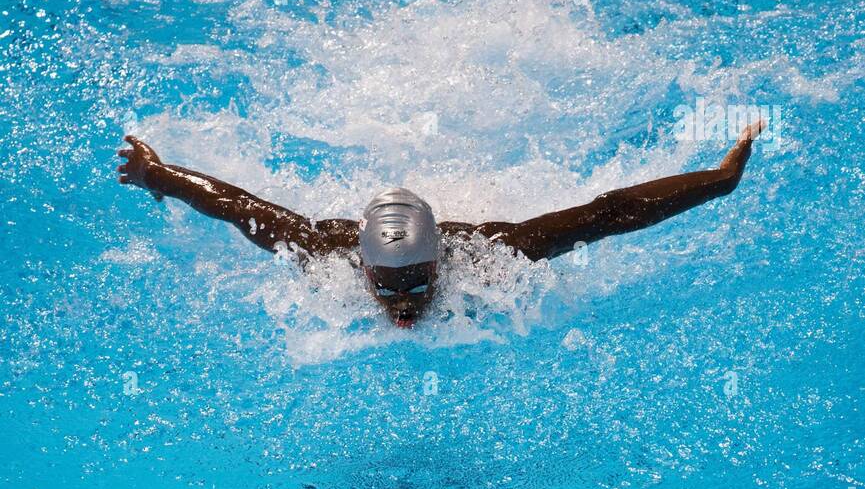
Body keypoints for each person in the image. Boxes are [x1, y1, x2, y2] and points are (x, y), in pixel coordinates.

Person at [118, 121, 763, 328]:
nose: (405, 302)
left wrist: (721, 178)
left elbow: (604, 216)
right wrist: (156, 174)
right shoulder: (326, 251)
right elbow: (238, 207)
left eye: (419, 281)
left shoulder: (487, 255)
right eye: (390, 285)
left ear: (441, 261)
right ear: (363, 268)